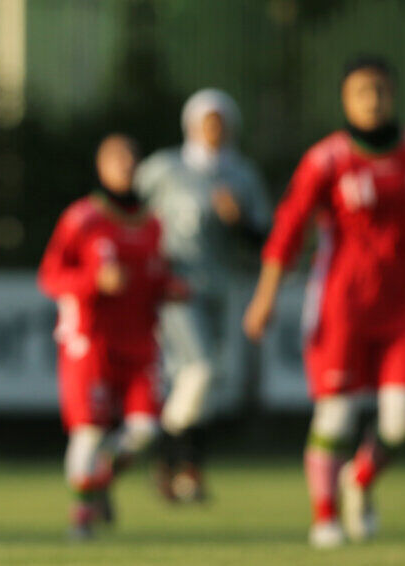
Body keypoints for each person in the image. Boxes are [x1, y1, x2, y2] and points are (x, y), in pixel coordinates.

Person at [242, 55, 405, 548]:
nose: (372, 99)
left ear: (393, 94)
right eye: (362, 91)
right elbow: (288, 230)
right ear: (345, 99)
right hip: (342, 305)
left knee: (404, 420)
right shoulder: (328, 159)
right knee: (335, 416)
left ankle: (358, 481)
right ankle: (325, 517)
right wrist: (265, 296)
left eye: (380, 89)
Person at [38, 134, 187, 539]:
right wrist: (93, 280)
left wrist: (170, 288)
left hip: (140, 344)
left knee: (146, 432)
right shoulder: (82, 218)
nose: (125, 166)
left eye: (130, 159)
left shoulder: (153, 223)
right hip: (91, 342)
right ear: (101, 167)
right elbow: (50, 276)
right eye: (115, 159)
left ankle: (98, 483)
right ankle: (81, 521)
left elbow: (154, 277)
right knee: (88, 431)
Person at [134, 89, 272, 502]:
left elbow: (267, 238)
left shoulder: (241, 176)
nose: (214, 130)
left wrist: (240, 220)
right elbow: (129, 215)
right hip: (175, 287)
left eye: (221, 122)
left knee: (200, 383)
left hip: (221, 288)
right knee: (199, 370)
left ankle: (180, 470)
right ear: (190, 124)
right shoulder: (163, 168)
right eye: (206, 121)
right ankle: (172, 463)